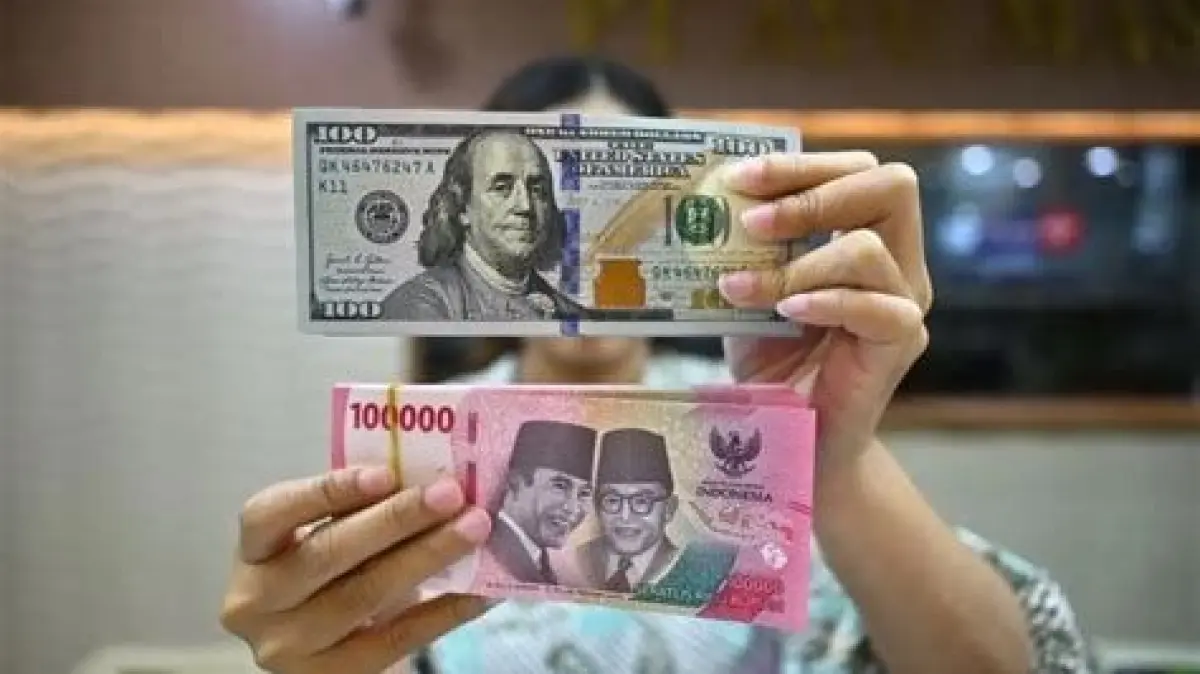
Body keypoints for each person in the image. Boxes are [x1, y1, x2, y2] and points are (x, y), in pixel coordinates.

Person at [219, 56, 1098, 674]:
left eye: (615, 196)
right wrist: (316, 645)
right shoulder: (419, 439)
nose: (573, 228)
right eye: (524, 180)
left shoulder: (759, 420)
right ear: (468, 206)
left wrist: (832, 458)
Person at [379, 128, 581, 322]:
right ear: (462, 207)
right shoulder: (419, 305)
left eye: (537, 190)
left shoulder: (574, 315)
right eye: (501, 188)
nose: (525, 205)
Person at [487, 420, 597, 585]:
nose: (572, 508)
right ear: (516, 483)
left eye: (584, 493)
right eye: (560, 486)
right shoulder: (492, 549)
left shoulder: (540, 562)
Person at [574, 428, 682, 592]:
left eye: (641, 501)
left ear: (669, 508)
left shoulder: (682, 566)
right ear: (597, 506)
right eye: (612, 500)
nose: (625, 516)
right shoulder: (576, 559)